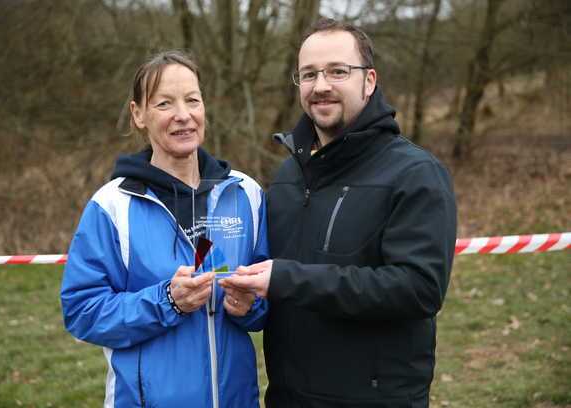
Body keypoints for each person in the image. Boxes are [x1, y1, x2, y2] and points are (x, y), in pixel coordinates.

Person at [220, 18, 457, 408]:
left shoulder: (416, 174)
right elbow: (275, 281)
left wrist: (289, 280)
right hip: (288, 397)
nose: (321, 85)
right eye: (309, 74)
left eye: (337, 71)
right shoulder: (288, 175)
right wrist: (250, 302)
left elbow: (418, 290)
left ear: (369, 81)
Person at [60, 50, 269, 408]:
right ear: (138, 114)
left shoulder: (245, 194)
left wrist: (250, 305)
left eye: (192, 100)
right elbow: (82, 311)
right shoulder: (112, 206)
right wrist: (167, 301)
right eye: (164, 104)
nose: (183, 115)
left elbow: (271, 297)